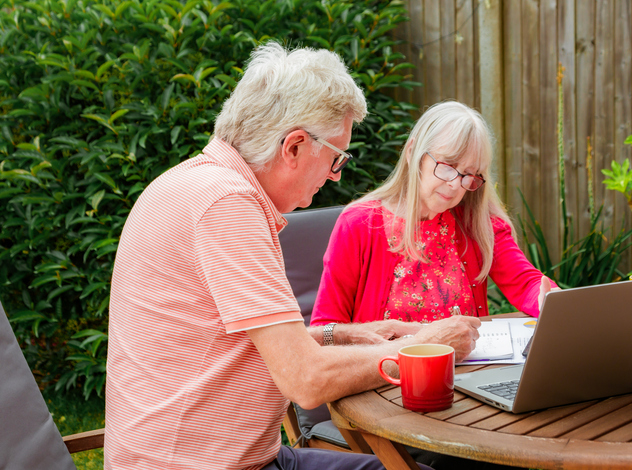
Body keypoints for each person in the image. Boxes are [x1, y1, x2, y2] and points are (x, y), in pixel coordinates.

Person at [104, 43, 480, 470]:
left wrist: (346, 335)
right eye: (336, 158)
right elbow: (306, 379)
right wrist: (425, 345)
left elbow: (240, 345)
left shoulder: (191, 183)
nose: (335, 175)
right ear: (295, 146)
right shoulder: (227, 206)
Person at [311, 101, 557, 331]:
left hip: (467, 372)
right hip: (385, 373)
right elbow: (327, 328)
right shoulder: (359, 224)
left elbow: (528, 285)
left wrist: (551, 301)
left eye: (469, 175)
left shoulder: (477, 221)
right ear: (412, 153)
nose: (455, 185)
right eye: (447, 167)